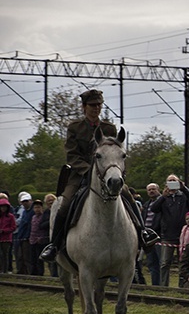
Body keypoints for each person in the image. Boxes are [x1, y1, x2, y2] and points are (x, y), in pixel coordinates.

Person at [40, 89, 159, 262]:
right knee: (64, 204)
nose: (96, 108)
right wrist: (89, 170)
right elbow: (72, 155)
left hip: (106, 175)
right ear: (84, 107)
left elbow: (113, 152)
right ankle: (54, 245)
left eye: (99, 105)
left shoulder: (108, 128)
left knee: (128, 197)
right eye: (92, 105)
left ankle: (143, 233)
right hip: (80, 176)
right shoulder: (75, 127)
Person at [150, 174, 189, 287]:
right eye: (170, 181)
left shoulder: (183, 196)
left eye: (174, 181)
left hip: (183, 235)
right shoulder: (163, 198)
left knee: (183, 262)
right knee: (164, 263)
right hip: (167, 235)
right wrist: (163, 196)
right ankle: (163, 286)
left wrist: (184, 188)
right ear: (166, 184)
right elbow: (154, 209)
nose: (172, 183)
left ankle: (182, 286)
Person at [141, 183, 162, 285]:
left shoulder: (162, 202)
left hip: (159, 237)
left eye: (153, 189)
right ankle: (155, 285)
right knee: (151, 263)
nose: (151, 191)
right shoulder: (146, 205)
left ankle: (161, 285)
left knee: (160, 262)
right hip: (148, 238)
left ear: (158, 190)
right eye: (149, 190)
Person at [13, 192, 34, 274]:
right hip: (21, 236)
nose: (25, 203)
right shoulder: (25, 212)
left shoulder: (31, 212)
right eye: (23, 201)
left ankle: (29, 272)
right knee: (20, 255)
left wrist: (26, 236)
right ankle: (23, 271)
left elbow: (29, 225)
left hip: (27, 237)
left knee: (27, 256)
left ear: (30, 201)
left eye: (26, 201)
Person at [40, 193, 58, 277]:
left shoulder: (60, 209)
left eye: (52, 200)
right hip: (48, 237)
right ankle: (53, 274)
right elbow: (41, 225)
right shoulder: (46, 212)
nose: (50, 202)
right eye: (48, 201)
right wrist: (51, 221)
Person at [29, 199, 49, 275]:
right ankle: (33, 272)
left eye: (38, 207)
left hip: (40, 239)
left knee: (39, 258)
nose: (37, 209)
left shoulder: (43, 217)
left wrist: (41, 237)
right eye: (35, 207)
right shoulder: (33, 217)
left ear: (42, 208)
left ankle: (40, 272)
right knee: (32, 258)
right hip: (32, 239)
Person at [0, 198, 16, 274]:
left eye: (5, 207)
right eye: (2, 206)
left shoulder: (11, 216)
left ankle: (5, 270)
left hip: (6, 238)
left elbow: (13, 227)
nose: (3, 208)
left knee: (5, 254)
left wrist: (4, 231)